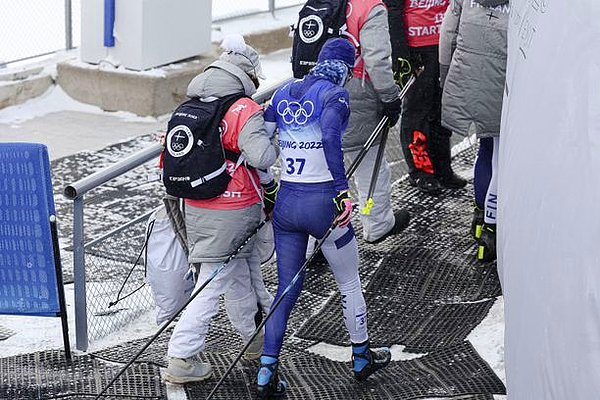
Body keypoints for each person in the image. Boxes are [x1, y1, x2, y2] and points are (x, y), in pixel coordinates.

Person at [255, 38, 392, 398]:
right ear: (346, 68)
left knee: (286, 288)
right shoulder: (336, 95)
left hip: (287, 203)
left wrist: (268, 184)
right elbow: (331, 136)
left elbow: (264, 144)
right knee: (348, 281)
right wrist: (343, 191)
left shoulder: (284, 91)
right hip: (324, 204)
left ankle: (267, 370)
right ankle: (361, 356)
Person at [164, 34, 277, 383]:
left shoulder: (191, 106)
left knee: (241, 275)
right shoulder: (243, 108)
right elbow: (263, 157)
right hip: (235, 209)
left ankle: (255, 342)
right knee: (212, 283)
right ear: (247, 74)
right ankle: (181, 356)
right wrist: (271, 136)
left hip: (196, 205)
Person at [439, 0, 509, 261]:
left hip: (471, 76)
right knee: (501, 155)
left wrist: (445, 74)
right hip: (504, 80)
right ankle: (492, 229)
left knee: (486, 148)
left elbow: (448, 32)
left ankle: (480, 218)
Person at [342, 0, 411, 244]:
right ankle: (377, 224)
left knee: (324, 172)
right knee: (370, 167)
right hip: (356, 93)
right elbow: (377, 59)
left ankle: (316, 239)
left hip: (317, 93)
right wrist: (390, 98)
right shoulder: (369, 6)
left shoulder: (321, 4)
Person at [384, 0, 467, 195]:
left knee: (442, 107)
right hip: (417, 48)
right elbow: (393, 10)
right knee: (417, 111)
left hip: (444, 42)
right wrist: (400, 52)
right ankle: (420, 170)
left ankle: (442, 167)